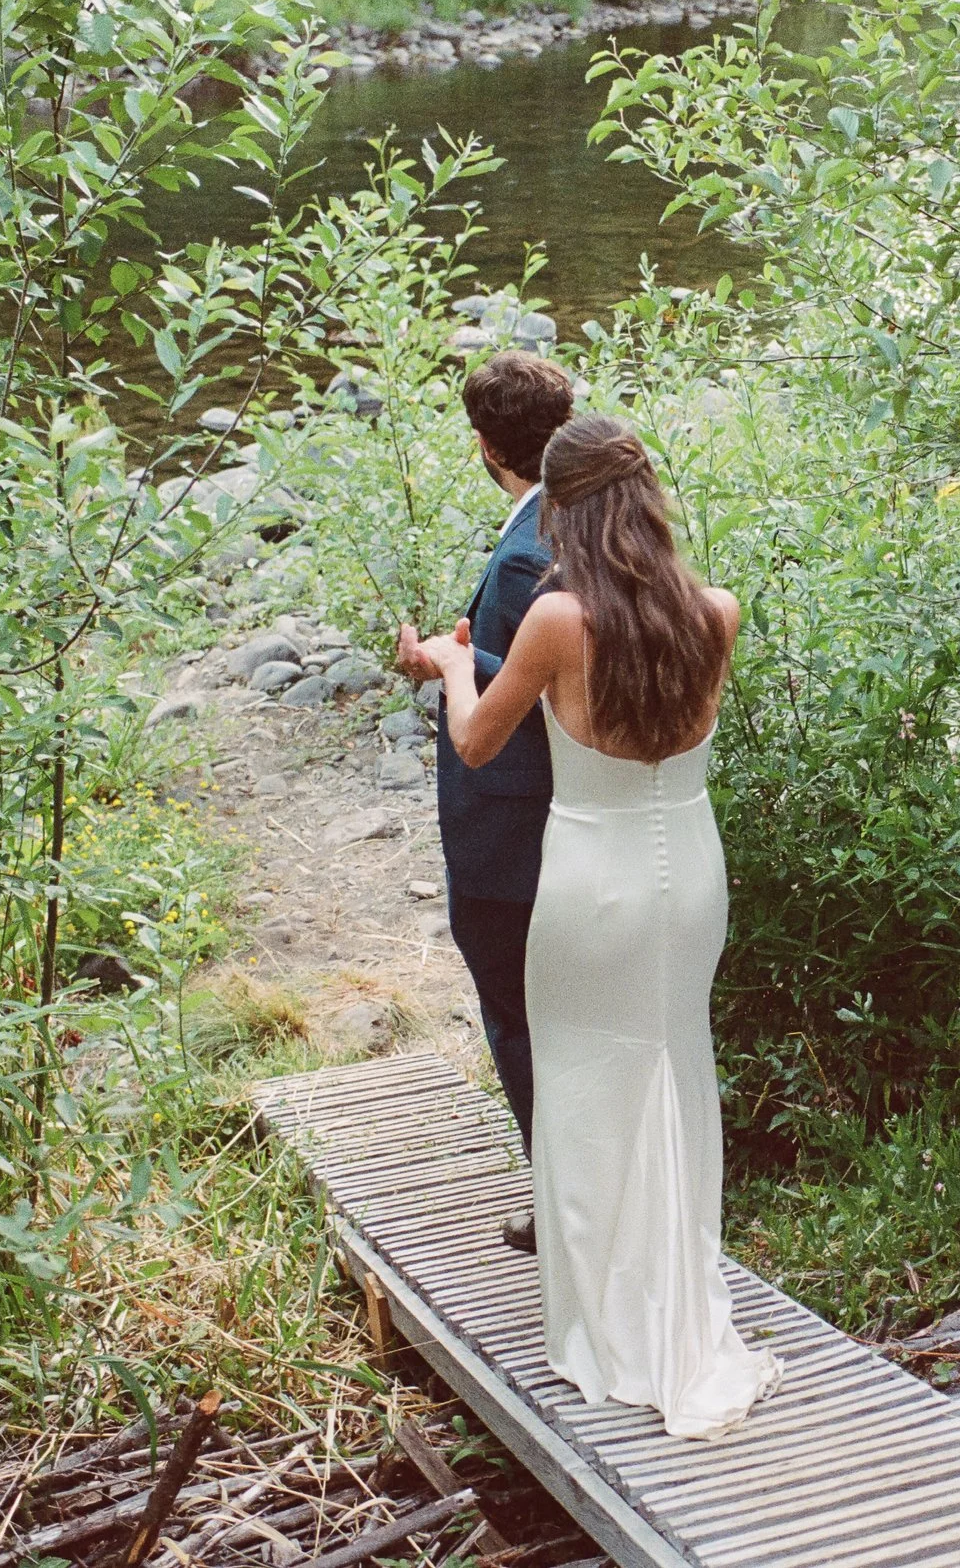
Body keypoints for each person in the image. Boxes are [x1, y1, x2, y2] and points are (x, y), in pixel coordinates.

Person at [399, 413, 782, 1441]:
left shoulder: (559, 619)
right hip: (690, 873)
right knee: (672, 1066)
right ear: (650, 500)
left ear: (560, 506)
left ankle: (607, 1321)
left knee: (579, 1082)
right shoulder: (716, 610)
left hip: (591, 877)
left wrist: (447, 662)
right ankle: (675, 1293)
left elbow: (480, 742)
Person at [395, 350, 572, 1257]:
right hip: (560, 826)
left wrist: (445, 662)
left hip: (513, 831)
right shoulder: (574, 515)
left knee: (518, 1016)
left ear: (483, 446)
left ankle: (560, 1203)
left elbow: (552, 694)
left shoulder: (525, 555)